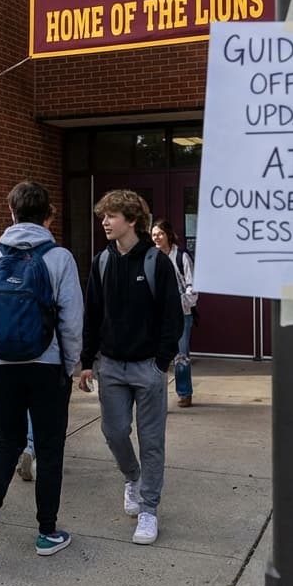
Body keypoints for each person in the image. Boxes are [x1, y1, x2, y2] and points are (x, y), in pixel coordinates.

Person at [0, 181, 83, 562]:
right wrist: (70, 363)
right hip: (46, 365)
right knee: (49, 448)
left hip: (3, 365)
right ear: (47, 215)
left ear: (12, 213)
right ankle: (47, 532)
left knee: (7, 441)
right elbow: (71, 318)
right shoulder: (59, 257)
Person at [79, 189, 182, 546]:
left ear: (132, 220)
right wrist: (87, 361)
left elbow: (173, 316)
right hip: (111, 366)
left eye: (112, 216)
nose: (105, 222)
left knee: (152, 441)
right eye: (103, 216)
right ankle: (132, 477)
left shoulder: (156, 262)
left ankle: (149, 509)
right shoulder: (101, 261)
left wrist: (161, 362)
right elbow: (92, 313)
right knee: (114, 431)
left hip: (147, 368)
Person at [150, 219, 197, 408]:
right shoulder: (150, 256)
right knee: (155, 355)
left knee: (181, 354)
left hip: (181, 312)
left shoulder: (181, 256)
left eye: (160, 233)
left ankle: (184, 392)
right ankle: (156, 396)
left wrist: (180, 302)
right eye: (154, 234)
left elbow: (192, 285)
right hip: (157, 313)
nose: (157, 238)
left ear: (168, 234)